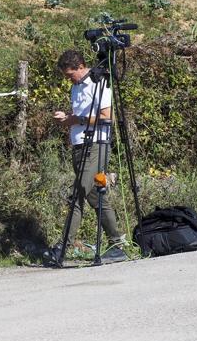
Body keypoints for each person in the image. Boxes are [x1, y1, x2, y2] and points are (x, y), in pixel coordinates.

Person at [45, 50, 127, 265]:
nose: (69, 79)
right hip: (80, 146)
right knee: (94, 197)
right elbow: (80, 116)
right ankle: (117, 245)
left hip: (96, 146)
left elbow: (106, 117)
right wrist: (68, 119)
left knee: (77, 193)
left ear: (81, 66)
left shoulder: (100, 83)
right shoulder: (76, 86)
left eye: (70, 74)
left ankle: (62, 247)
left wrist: (75, 119)